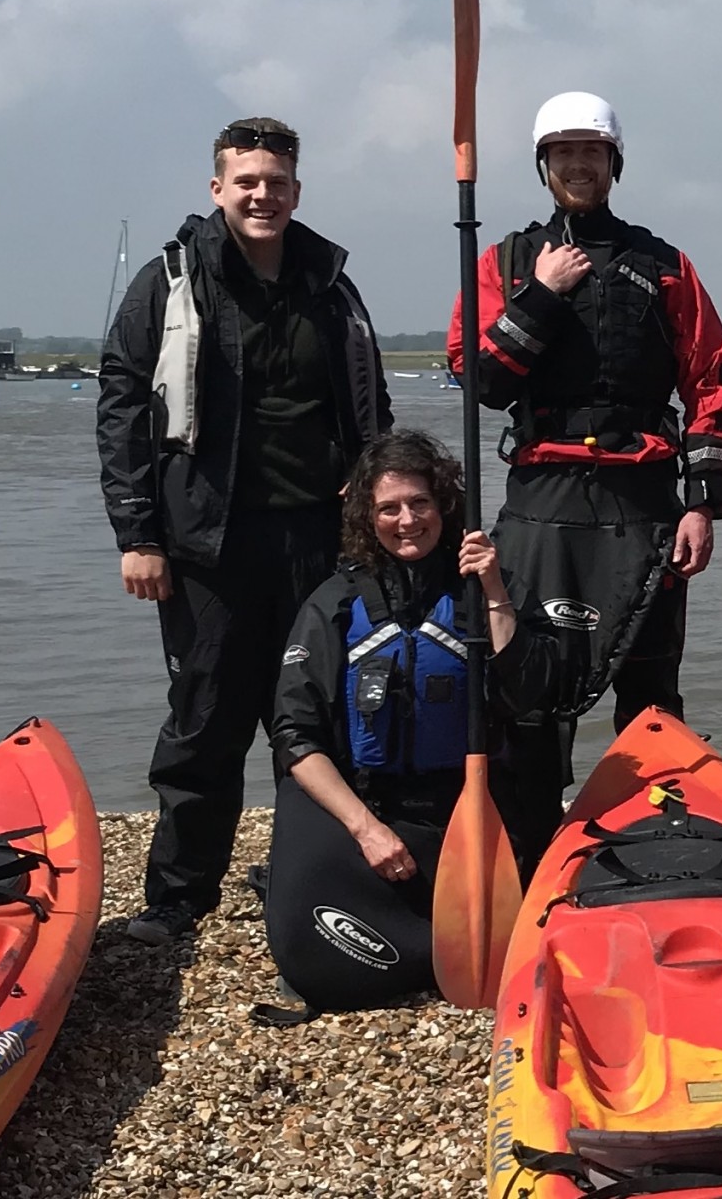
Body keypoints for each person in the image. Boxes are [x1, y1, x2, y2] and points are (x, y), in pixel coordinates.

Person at [97, 117, 392, 945]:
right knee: (205, 722)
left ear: (298, 191)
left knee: (320, 717)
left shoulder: (329, 283)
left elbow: (371, 407)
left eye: (278, 182)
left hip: (320, 540)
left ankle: (306, 870)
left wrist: (377, 508)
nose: (263, 196)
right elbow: (121, 410)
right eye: (247, 181)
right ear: (218, 187)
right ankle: (179, 899)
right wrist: (138, 532)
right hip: (206, 545)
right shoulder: (170, 281)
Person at [447, 92, 722, 842]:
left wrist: (702, 505)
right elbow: (482, 381)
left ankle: (656, 841)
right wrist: (542, 296)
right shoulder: (506, 261)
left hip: (643, 500)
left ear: (614, 162)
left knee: (649, 690)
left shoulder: (664, 264)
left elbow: (711, 380)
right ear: (544, 166)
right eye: (564, 153)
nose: (579, 164)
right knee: (528, 686)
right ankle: (534, 847)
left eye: (593, 151)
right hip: (542, 500)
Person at [264, 431, 557, 1012]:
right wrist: (365, 831)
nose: (407, 521)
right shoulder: (334, 603)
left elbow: (531, 695)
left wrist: (495, 590)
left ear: (443, 507)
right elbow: (295, 738)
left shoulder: (486, 588)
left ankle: (433, 942)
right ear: (366, 518)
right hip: (372, 810)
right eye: (389, 508)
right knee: (309, 956)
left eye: (420, 503)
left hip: (465, 812)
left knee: (521, 933)